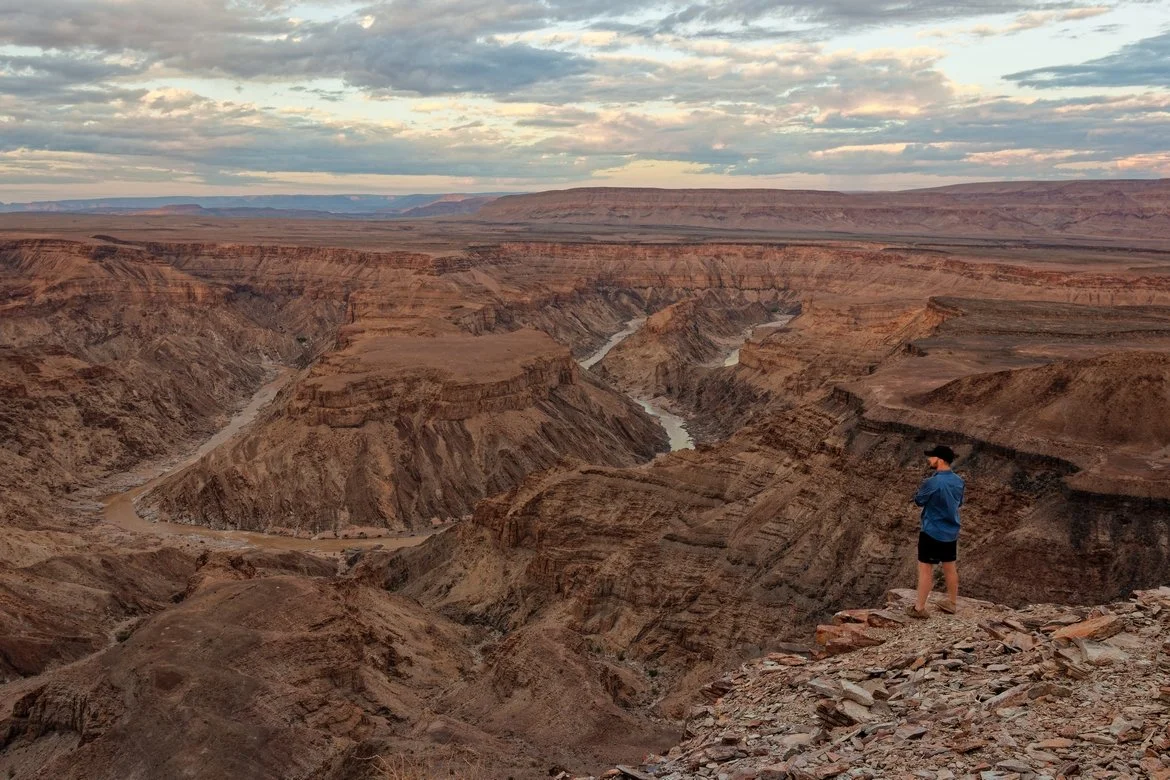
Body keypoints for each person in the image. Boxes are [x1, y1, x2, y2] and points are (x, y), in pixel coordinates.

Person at [908, 444, 964, 618]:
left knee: (925, 569)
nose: (929, 460)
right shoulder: (959, 481)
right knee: (950, 567)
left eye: (931, 457)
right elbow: (959, 503)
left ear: (939, 460)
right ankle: (952, 603)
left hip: (932, 530)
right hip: (951, 531)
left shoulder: (932, 481)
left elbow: (919, 500)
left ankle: (919, 608)